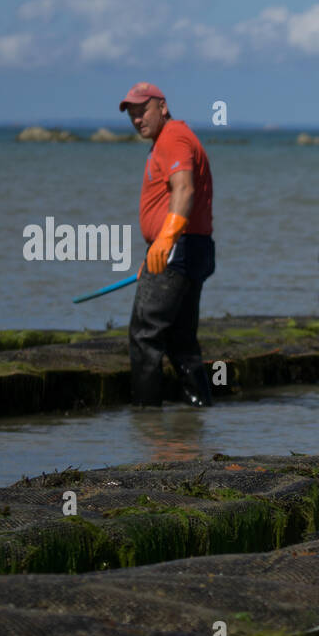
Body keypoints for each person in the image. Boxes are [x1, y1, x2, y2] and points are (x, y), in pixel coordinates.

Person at [119, 82, 215, 406]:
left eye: (141, 111)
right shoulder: (169, 137)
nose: (136, 119)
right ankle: (198, 410)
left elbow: (184, 190)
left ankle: (146, 423)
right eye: (131, 114)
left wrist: (164, 241)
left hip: (176, 248)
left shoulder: (173, 137)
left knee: (144, 335)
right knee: (180, 340)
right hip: (189, 248)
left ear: (162, 106)